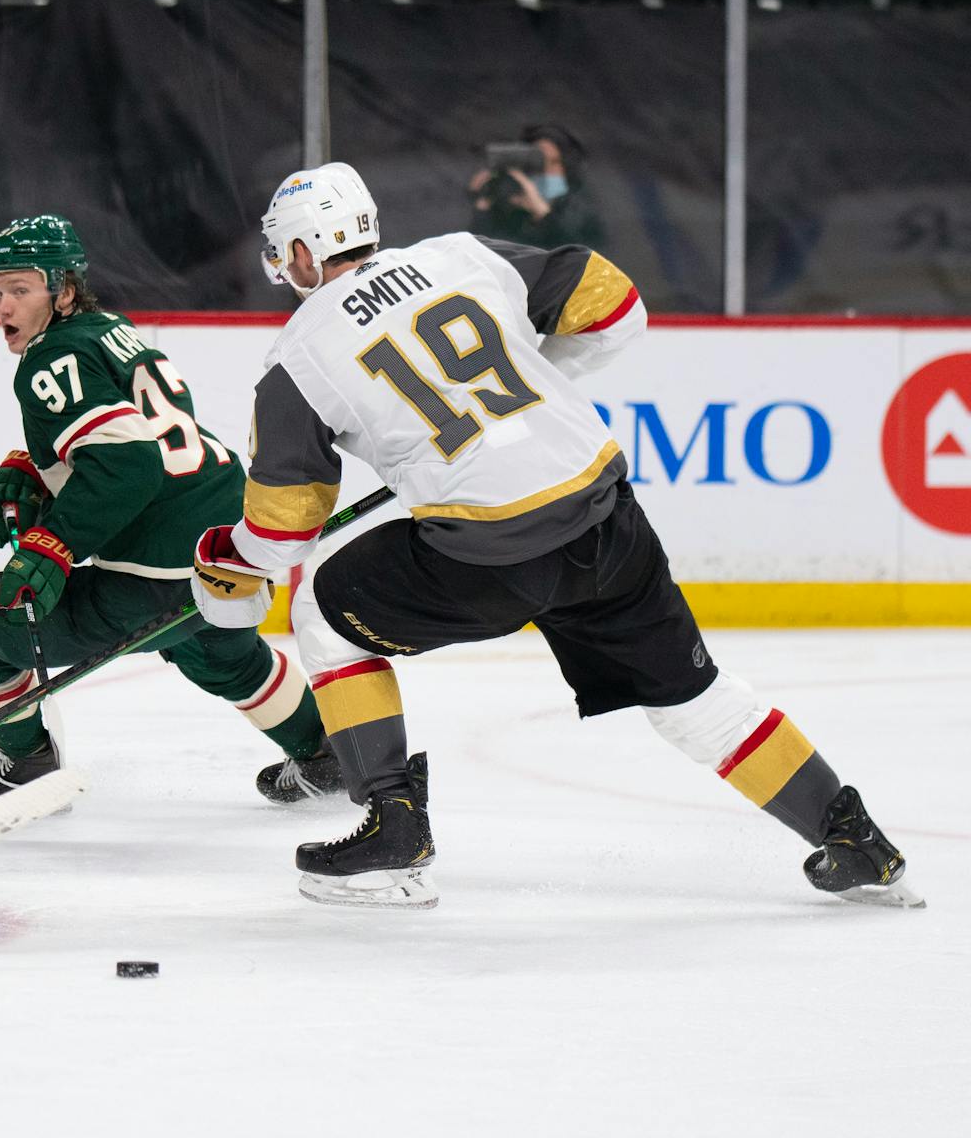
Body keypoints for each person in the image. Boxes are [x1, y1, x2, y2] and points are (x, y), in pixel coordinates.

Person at [189, 162, 922, 911]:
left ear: (306, 251)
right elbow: (617, 307)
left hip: (486, 555)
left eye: (287, 252)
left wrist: (225, 556)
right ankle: (853, 837)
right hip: (606, 518)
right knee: (693, 698)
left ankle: (394, 831)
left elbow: (284, 533)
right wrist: (532, 388)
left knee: (323, 613)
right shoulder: (460, 254)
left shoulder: (299, 354)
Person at [0, 215, 335, 812]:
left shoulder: (50, 360)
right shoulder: (110, 329)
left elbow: (130, 466)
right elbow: (148, 438)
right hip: (230, 544)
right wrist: (36, 469)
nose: (3, 305)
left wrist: (53, 542)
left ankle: (28, 764)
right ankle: (323, 757)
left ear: (63, 290)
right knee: (218, 653)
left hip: (158, 569)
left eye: (21, 290)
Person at [467, 125, 605, 250]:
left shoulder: (582, 212)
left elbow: (577, 256)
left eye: (554, 162)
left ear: (568, 168)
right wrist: (483, 204)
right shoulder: (511, 209)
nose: (546, 170)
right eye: (538, 162)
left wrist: (542, 213)